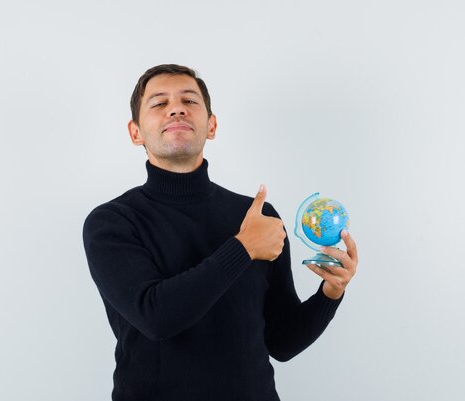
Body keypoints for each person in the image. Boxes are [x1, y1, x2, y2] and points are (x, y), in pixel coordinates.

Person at [82, 64, 358, 401]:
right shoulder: (112, 222)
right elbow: (156, 318)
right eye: (158, 103)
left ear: (211, 126)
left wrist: (329, 294)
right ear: (135, 132)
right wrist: (242, 248)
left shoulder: (259, 218)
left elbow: (282, 343)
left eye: (190, 100)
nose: (177, 108)